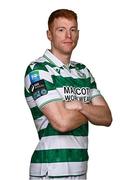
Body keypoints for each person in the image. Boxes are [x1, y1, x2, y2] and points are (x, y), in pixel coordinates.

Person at [24, 9, 112, 180]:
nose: (68, 35)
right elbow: (62, 122)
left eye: (72, 29)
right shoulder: (38, 70)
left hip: (80, 169)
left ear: (78, 34)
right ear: (49, 34)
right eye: (61, 29)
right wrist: (92, 111)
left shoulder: (83, 72)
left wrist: (79, 105)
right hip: (50, 170)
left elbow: (107, 117)